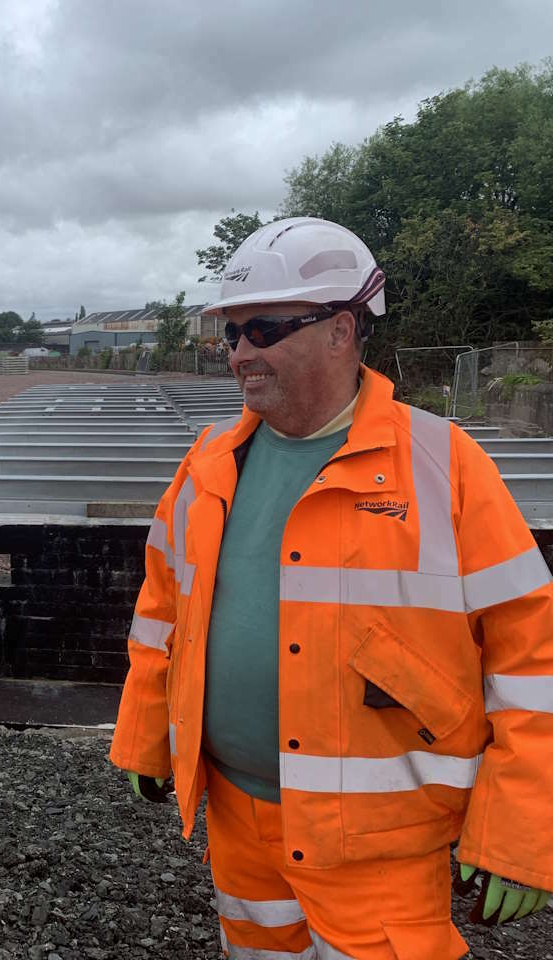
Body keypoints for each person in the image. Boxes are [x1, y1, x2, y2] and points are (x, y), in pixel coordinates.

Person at [110, 217, 553, 958]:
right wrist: (143, 734)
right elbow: (162, 612)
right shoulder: (209, 464)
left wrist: (523, 827)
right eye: (231, 335)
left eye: (266, 329)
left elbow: (532, 658)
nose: (240, 353)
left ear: (342, 331)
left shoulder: (444, 465)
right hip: (238, 820)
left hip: (382, 842)